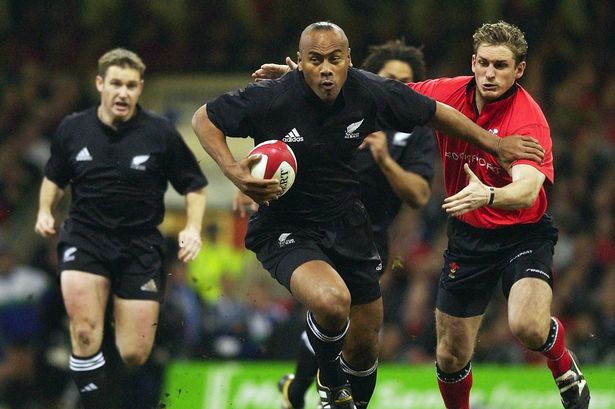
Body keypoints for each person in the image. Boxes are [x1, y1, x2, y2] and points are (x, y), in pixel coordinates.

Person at [192, 21, 543, 409]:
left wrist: (495, 144)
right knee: (330, 301)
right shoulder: (272, 97)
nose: (326, 69)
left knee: (363, 346)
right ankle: (330, 388)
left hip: (350, 226)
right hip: (286, 227)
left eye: (334, 59)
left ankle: (341, 399)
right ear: (303, 62)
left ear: (349, 61)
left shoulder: (369, 92)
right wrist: (232, 170)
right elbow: (204, 119)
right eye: (315, 60)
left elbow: (434, 113)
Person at [251, 39, 437, 409]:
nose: (397, 87)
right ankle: (325, 391)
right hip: (317, 226)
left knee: (359, 331)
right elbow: (308, 119)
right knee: (332, 308)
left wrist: (385, 159)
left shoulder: (414, 136)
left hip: (369, 237)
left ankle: (300, 388)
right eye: (389, 79)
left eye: (406, 82)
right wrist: (295, 79)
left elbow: (418, 195)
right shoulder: (351, 109)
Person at [413, 22, 589, 409]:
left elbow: (527, 190)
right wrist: (308, 76)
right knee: (450, 356)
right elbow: (389, 95)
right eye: (484, 63)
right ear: (473, 62)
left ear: (519, 70)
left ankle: (562, 363)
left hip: (523, 235)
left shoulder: (528, 119)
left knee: (527, 327)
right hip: (468, 237)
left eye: (502, 66)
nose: (490, 74)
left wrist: (488, 194)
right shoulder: (447, 93)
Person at [34, 48, 208, 409]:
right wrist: (44, 211)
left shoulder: (159, 132)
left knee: (134, 352)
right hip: (85, 239)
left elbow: (194, 185)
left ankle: (115, 314)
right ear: (100, 84)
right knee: (83, 331)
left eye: (130, 85)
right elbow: (54, 177)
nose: (123, 92)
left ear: (140, 88)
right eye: (115, 83)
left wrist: (192, 228)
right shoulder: (72, 129)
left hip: (140, 248)